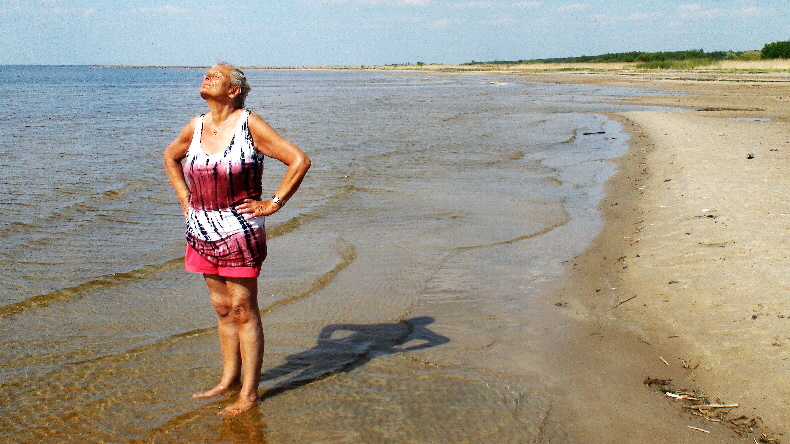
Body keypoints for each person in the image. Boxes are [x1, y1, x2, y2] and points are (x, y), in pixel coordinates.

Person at [163, 63, 310, 416]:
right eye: (207, 73)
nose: (207, 76)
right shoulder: (196, 126)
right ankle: (228, 380)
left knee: (244, 311)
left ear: (234, 91)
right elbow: (170, 156)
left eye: (216, 75)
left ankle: (249, 393)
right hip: (200, 231)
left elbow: (299, 160)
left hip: (239, 233)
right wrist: (185, 198)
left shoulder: (250, 124)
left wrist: (272, 204)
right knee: (222, 309)